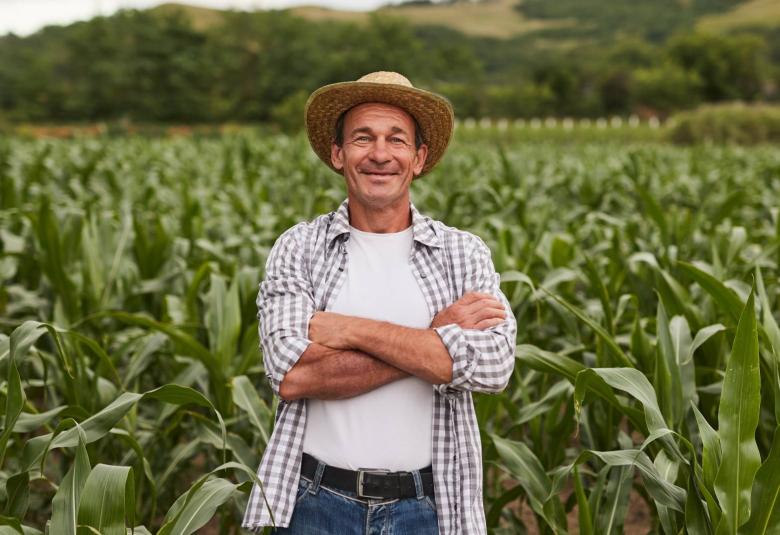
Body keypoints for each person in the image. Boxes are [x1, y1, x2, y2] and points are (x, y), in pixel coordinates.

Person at [242, 71, 517, 534]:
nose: (380, 154)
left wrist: (349, 330)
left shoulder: (463, 252)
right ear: (337, 154)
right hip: (316, 505)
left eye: (397, 139)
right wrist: (436, 343)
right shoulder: (300, 247)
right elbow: (292, 376)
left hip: (428, 507)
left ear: (419, 158)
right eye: (362, 138)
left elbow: (493, 367)